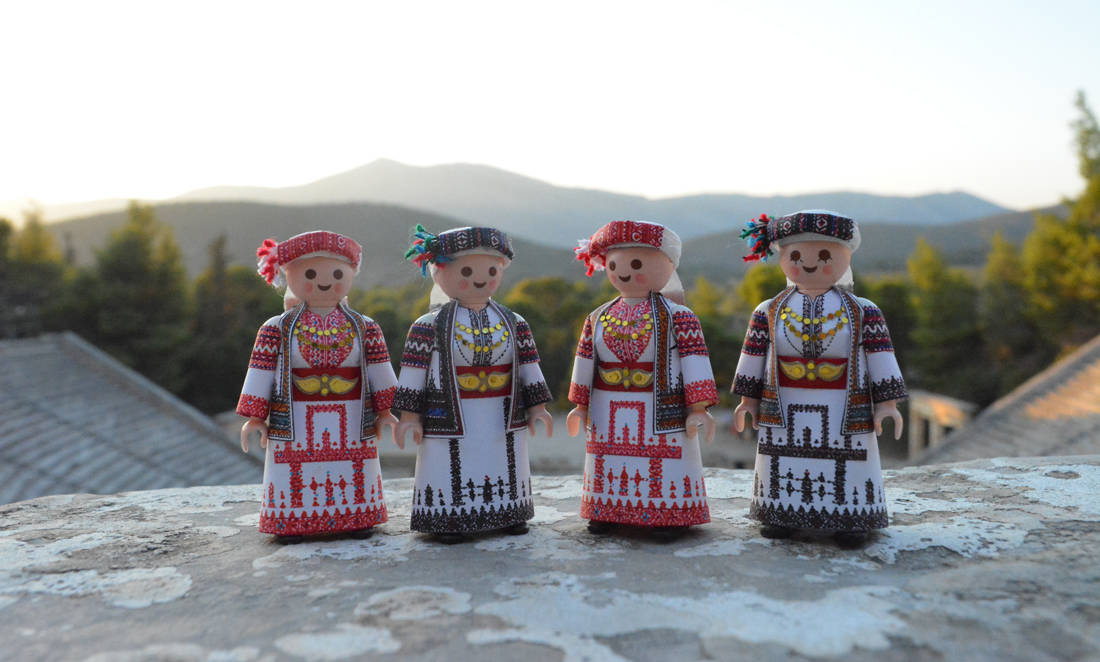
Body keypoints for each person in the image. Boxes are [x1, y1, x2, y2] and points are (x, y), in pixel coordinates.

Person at [732, 210, 906, 548]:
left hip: (844, 404)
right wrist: (747, 400)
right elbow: (753, 356)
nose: (809, 263)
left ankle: (851, 518)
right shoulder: (767, 311)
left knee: (849, 458)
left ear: (846, 256)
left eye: (824, 255)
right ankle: (779, 513)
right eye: (796, 255)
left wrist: (887, 404)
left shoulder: (864, 311)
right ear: (782, 257)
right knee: (782, 457)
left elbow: (881, 356)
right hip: (783, 403)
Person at [394, 225, 553, 544]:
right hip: (450, 414)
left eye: (492, 270)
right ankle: (450, 519)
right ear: (439, 272)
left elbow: (529, 366)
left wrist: (538, 407)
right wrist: (409, 417)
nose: (481, 278)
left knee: (504, 460)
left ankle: (511, 512)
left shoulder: (515, 322)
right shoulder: (428, 326)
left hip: (502, 412)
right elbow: (413, 371)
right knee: (451, 463)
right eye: (466, 270)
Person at [238, 231, 398, 542]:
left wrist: (386, 411)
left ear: (351, 274)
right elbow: (261, 371)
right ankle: (291, 520)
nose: (324, 281)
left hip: (352, 416)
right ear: (288, 275)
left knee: (353, 466)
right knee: (294, 469)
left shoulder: (366, 327)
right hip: (294, 417)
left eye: (337, 274)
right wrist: (256, 416)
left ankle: (357, 516)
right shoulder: (275, 329)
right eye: (310, 274)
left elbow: (379, 369)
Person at [567, 220, 717, 536]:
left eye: (636, 264)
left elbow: (694, 360)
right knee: (608, 459)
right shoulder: (597, 317)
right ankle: (605, 509)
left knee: (663, 459)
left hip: (660, 406)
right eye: (613, 265)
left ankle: (667, 514)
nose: (623, 272)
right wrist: (580, 405)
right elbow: (585, 360)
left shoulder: (680, 316)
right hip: (607, 405)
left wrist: (698, 407)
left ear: (669, 264)